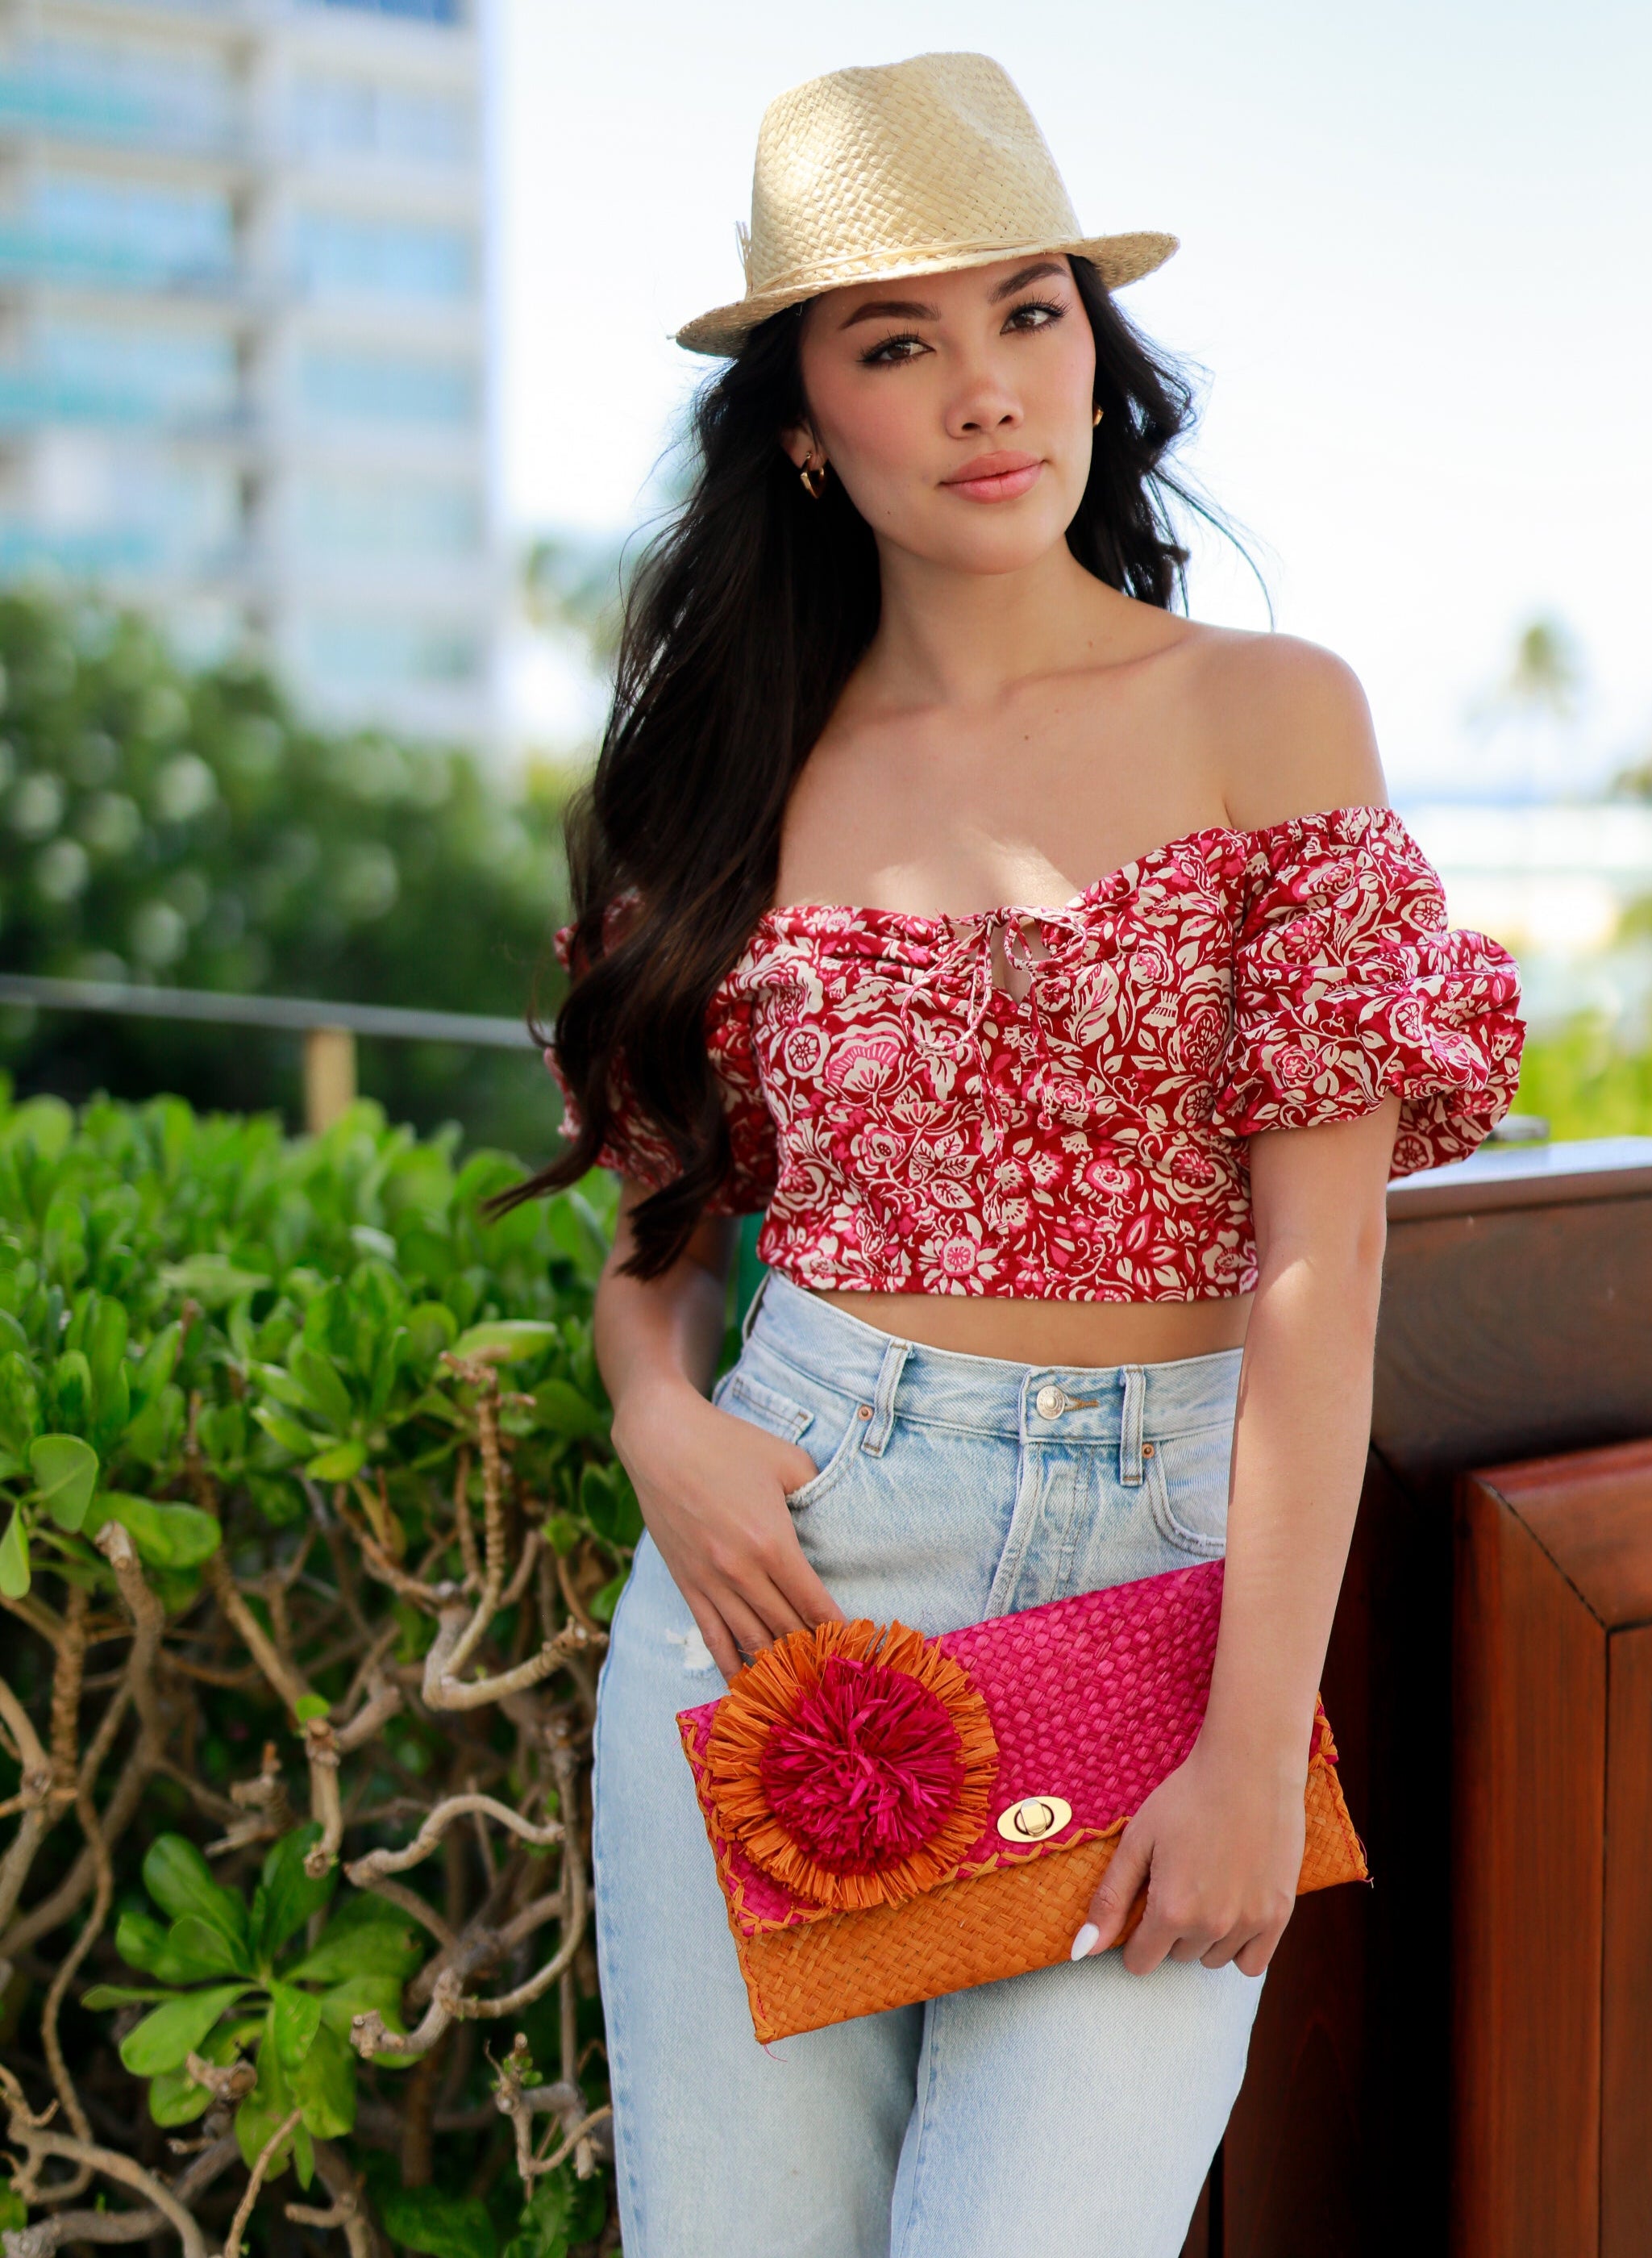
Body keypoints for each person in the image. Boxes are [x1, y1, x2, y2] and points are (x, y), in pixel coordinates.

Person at [521, 50, 1523, 2258]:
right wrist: (655, 1418)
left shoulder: (1270, 711)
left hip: (1164, 1589)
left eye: (1032, 314)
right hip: (781, 1577)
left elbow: (1314, 1280)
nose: (988, 392)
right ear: (802, 422)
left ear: (1097, 347)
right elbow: (661, 1228)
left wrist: (1259, 1747)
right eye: (900, 342)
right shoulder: (739, 771)